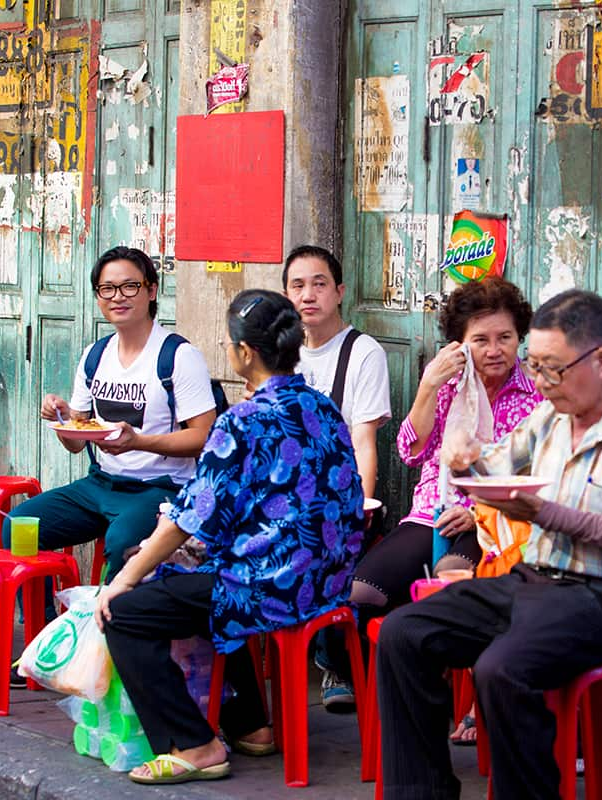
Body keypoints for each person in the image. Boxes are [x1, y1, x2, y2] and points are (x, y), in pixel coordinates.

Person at [376, 289, 602, 800]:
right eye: (536, 368)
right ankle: (421, 793)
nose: (540, 382)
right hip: (535, 581)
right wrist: (464, 459)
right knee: (404, 632)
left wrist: (548, 514)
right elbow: (494, 465)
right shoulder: (552, 418)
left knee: (502, 668)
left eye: (551, 369)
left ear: (601, 360)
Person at [94, 289, 364, 785]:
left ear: (245, 353)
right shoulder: (320, 406)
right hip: (328, 582)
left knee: (128, 614)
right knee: (200, 578)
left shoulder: (240, 421)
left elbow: (187, 517)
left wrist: (121, 582)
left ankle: (194, 744)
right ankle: (251, 725)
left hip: (272, 588)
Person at [319, 277, 543, 715]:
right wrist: (427, 388)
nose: (494, 349)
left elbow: (538, 470)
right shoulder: (447, 386)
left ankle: (457, 699)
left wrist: (478, 507)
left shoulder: (536, 390)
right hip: (432, 511)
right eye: (480, 340)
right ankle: (365, 684)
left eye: (505, 338)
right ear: (460, 344)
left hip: (500, 520)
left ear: (521, 338)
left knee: (449, 576)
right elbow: (410, 449)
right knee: (361, 591)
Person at [5, 246, 216, 632]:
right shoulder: (95, 355)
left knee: (121, 542)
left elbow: (204, 438)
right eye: (107, 289)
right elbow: (77, 440)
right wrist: (63, 417)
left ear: (151, 291)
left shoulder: (178, 356)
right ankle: (44, 636)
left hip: (161, 488)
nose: (118, 297)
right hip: (101, 484)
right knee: (21, 523)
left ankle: (110, 646)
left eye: (129, 286)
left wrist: (140, 442)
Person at [282, 244, 390, 499]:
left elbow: (363, 444)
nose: (308, 296)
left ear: (339, 292)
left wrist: (359, 511)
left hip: (333, 494)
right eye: (298, 286)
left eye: (319, 284)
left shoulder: (364, 353)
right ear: (286, 296)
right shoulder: (280, 353)